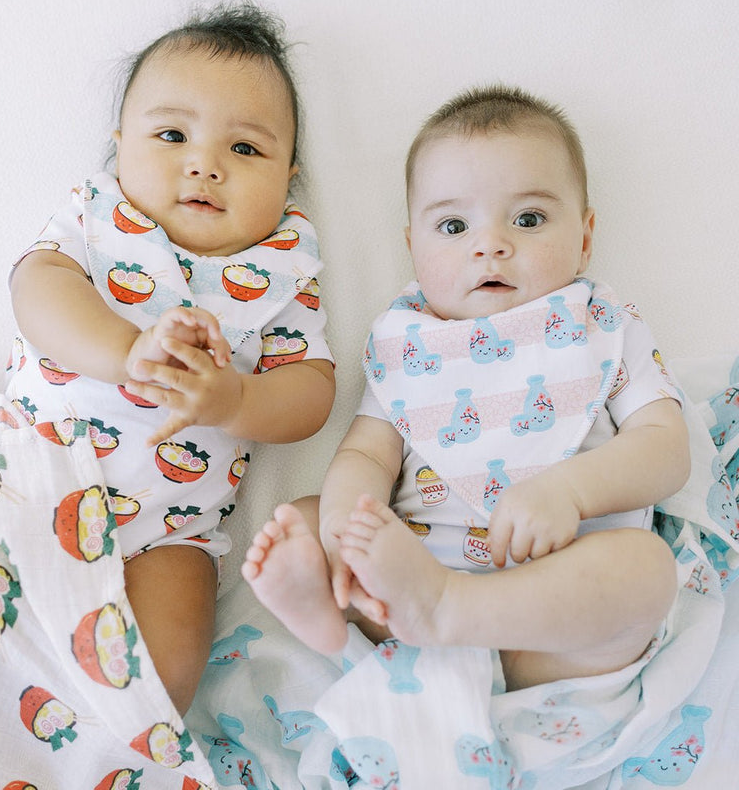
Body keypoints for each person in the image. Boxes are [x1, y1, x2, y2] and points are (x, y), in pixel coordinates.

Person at [242, 84, 690, 692]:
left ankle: (449, 607)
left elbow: (666, 448)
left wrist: (572, 491)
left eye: (528, 219)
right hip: (405, 592)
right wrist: (345, 526)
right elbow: (367, 455)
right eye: (453, 225)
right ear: (413, 249)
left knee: (645, 571)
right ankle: (331, 611)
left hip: (554, 631)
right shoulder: (410, 344)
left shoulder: (602, 327)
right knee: (306, 517)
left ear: (585, 238)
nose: (490, 244)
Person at [7, 0, 335, 714]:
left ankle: (121, 749)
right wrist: (127, 351)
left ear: (289, 176)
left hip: (169, 532)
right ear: (119, 145)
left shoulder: (281, 267)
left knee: (170, 666)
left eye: (245, 149)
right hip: (30, 481)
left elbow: (312, 388)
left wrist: (239, 401)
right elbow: (37, 288)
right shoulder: (100, 219)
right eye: (172, 134)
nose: (204, 165)